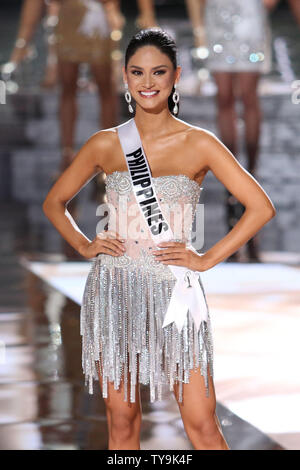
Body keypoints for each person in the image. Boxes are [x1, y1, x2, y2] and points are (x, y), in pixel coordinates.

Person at [43, 28, 276, 450]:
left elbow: (260, 207)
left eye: (158, 72)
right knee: (121, 419)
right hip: (114, 289)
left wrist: (206, 259)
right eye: (137, 72)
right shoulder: (105, 143)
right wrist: (83, 245)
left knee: (202, 422)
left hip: (176, 292)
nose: (147, 82)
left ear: (176, 76)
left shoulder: (199, 142)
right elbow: (54, 202)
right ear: (125, 77)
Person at [186, 0, 279, 262]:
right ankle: (232, 177)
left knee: (248, 97)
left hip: (249, 15)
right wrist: (199, 27)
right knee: (224, 98)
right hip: (217, 16)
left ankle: (251, 171)